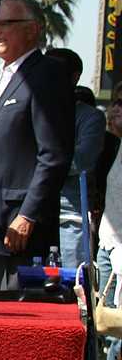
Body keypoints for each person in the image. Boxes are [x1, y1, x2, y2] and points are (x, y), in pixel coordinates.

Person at [0, 0, 74, 291]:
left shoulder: (46, 75)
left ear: (32, 29)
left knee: (13, 329)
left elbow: (54, 155)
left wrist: (27, 215)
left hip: (18, 234)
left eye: (5, 24)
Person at [47, 48, 104, 269]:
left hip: (70, 220)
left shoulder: (90, 118)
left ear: (74, 77)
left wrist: (42, 165)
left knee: (74, 288)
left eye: (55, 71)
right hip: (31, 216)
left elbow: (82, 161)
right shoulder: (32, 110)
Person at [96, 85, 122, 360]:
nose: (115, 110)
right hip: (107, 243)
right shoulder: (113, 146)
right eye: (115, 102)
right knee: (108, 330)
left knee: (118, 330)